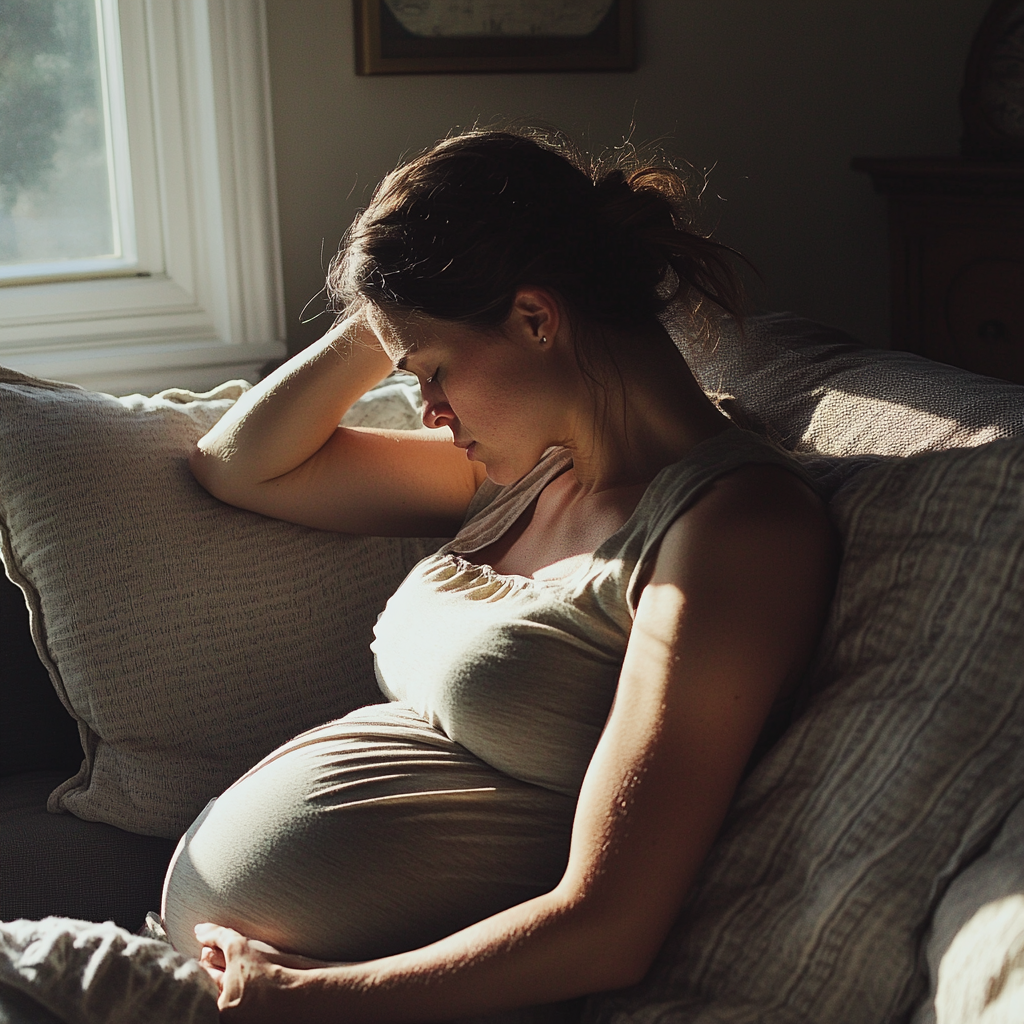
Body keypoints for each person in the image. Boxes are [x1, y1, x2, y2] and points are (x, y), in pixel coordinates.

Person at [161, 128, 837, 1023]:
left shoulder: (735, 530)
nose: (430, 411)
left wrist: (307, 997)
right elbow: (239, 466)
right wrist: (396, 306)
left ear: (535, 317)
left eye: (433, 372)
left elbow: (610, 926)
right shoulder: (530, 474)